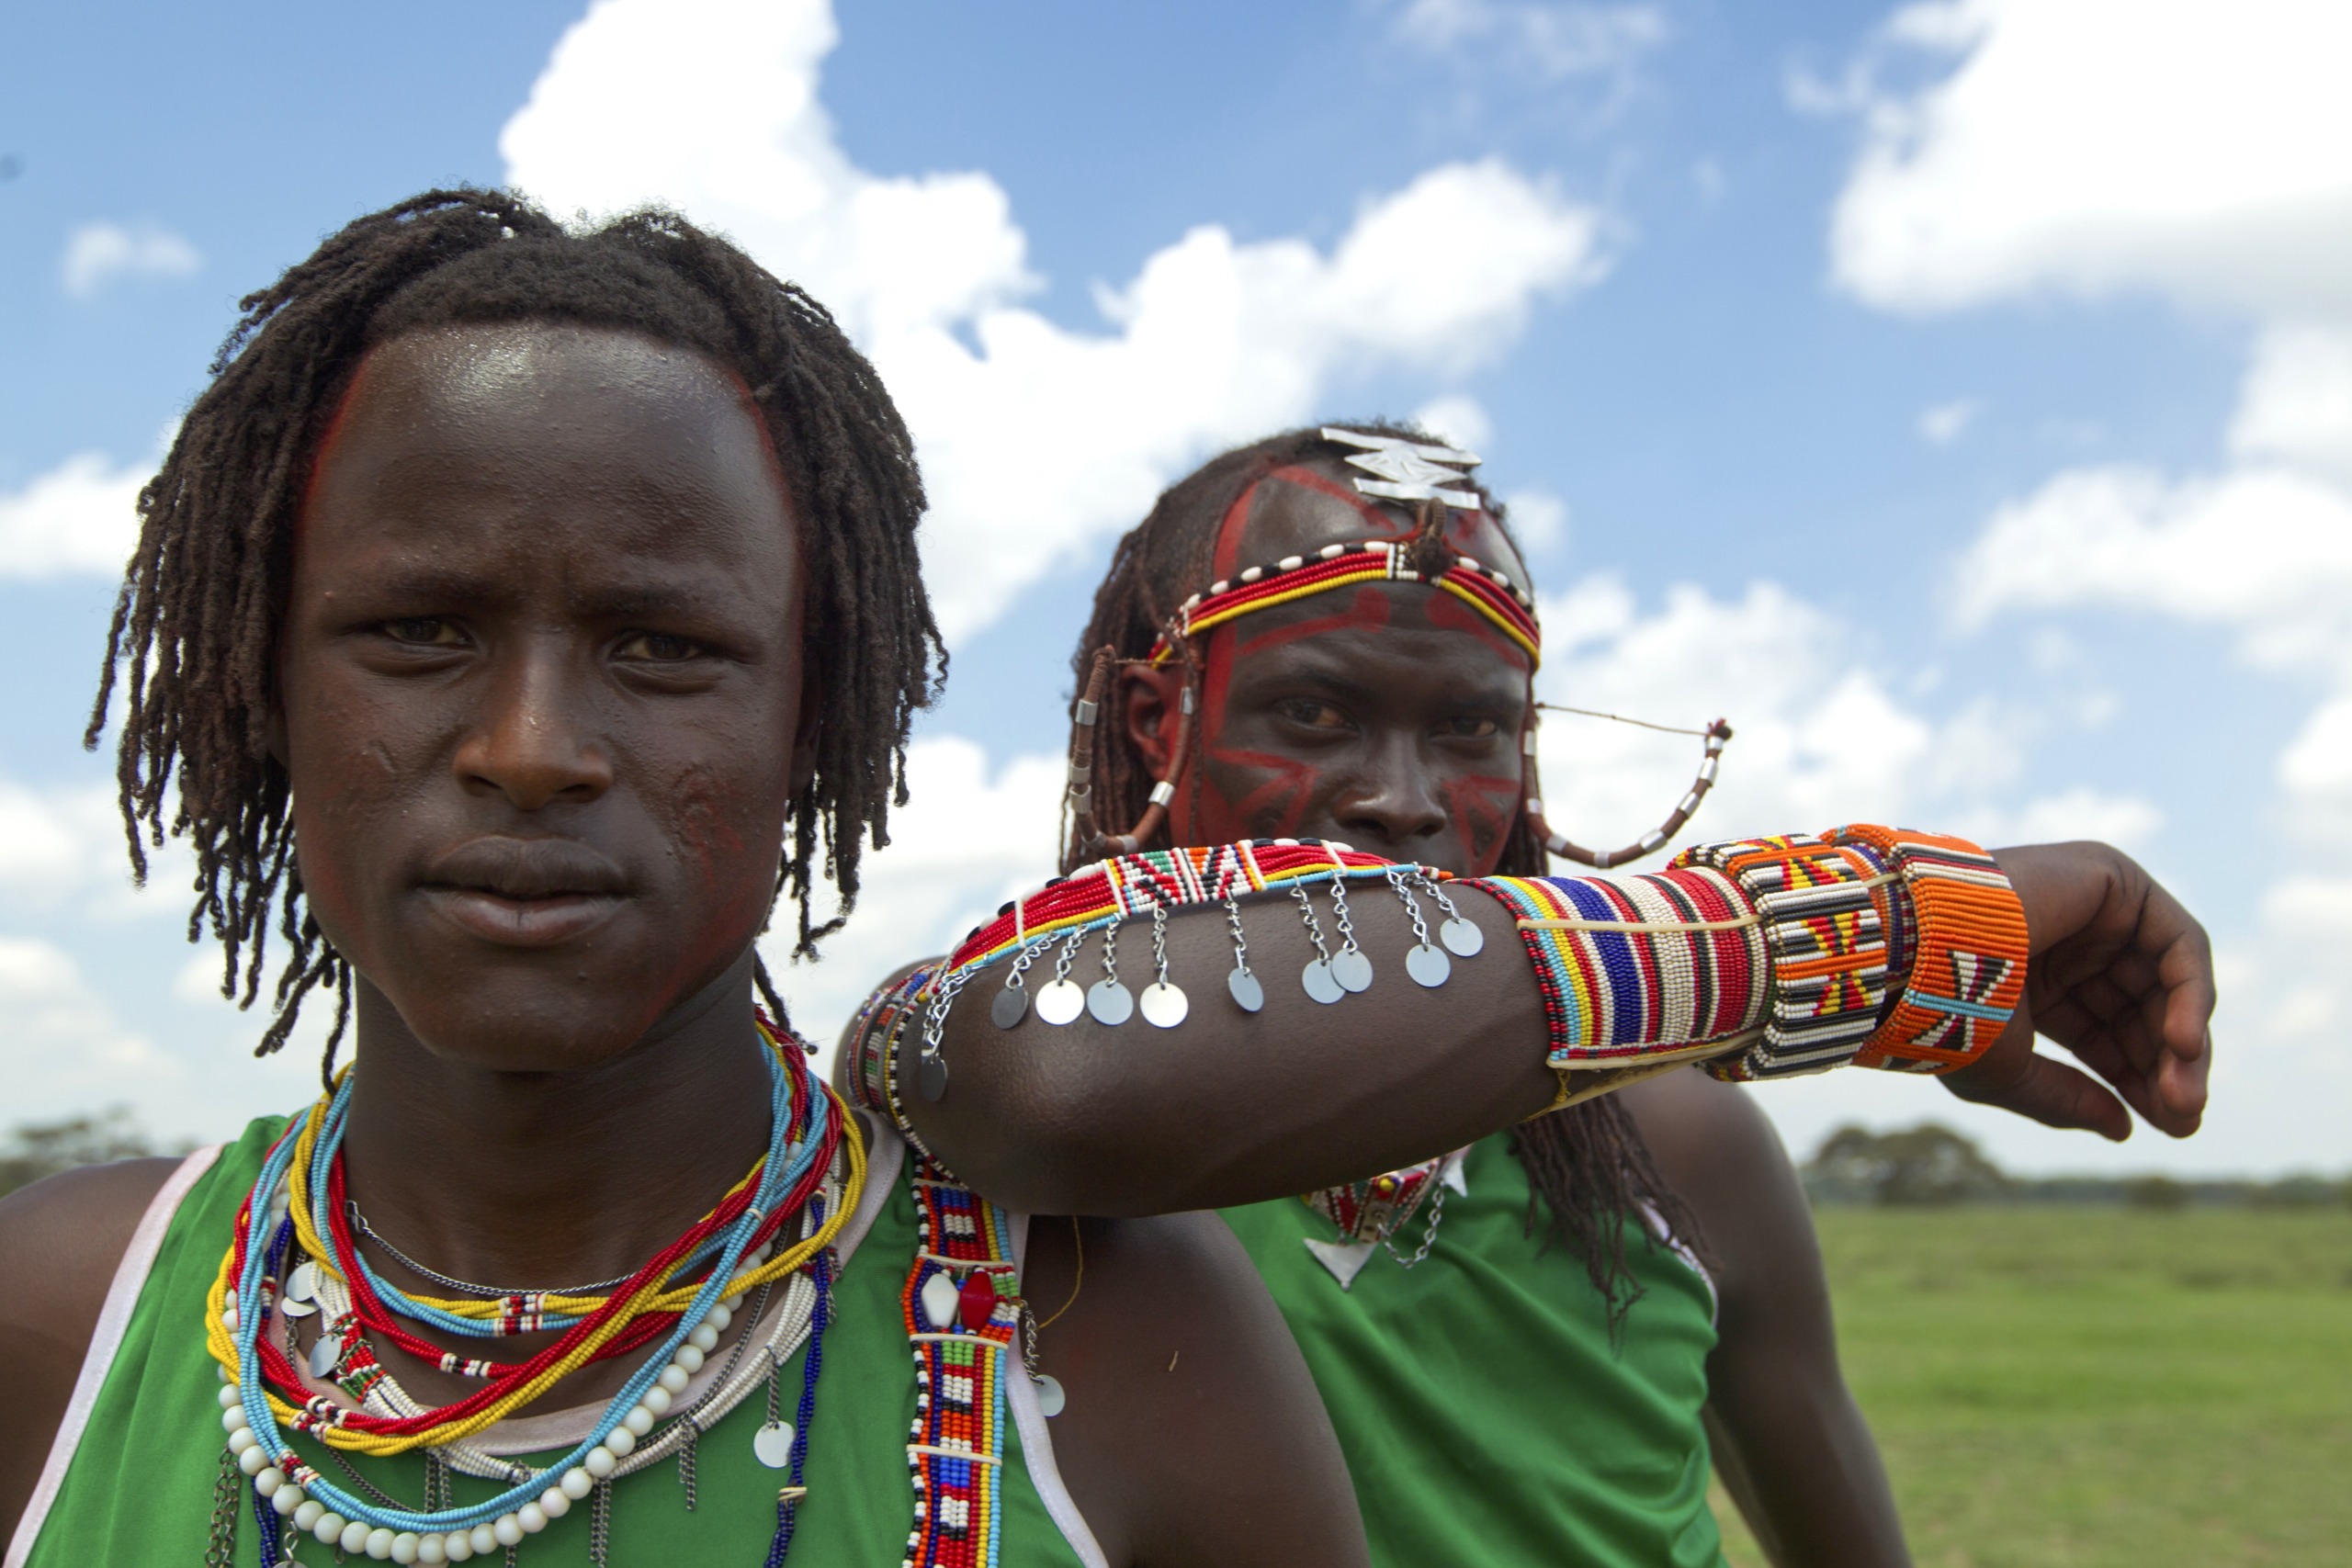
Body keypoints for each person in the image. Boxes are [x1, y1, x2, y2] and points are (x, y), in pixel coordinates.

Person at [0, 192, 1369, 1568]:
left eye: (662, 646)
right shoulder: (59, 1316)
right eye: (417, 630)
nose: (530, 751)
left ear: (812, 722)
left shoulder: (1113, 1342)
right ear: (263, 690)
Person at [843, 424, 2215, 1564]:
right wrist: (1881, 938)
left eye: (1470, 729)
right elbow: (1070, 1076)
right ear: (1160, 724)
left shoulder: (1677, 1144)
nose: (1405, 799)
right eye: (1315, 715)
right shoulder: (984, 1095)